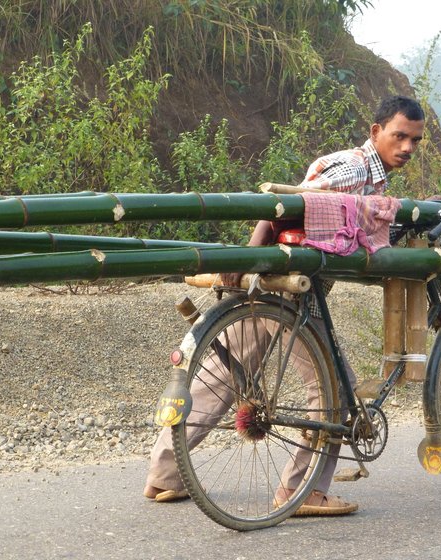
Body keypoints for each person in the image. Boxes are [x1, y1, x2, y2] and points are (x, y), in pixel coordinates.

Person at [144, 95, 426, 515]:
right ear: (376, 132)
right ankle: (304, 491)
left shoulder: (374, 179)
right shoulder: (352, 168)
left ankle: (164, 476)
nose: (406, 148)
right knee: (334, 392)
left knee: (223, 374)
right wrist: (245, 256)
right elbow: (286, 203)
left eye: (414, 141)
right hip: (290, 291)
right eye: (399, 136)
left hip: (269, 286)